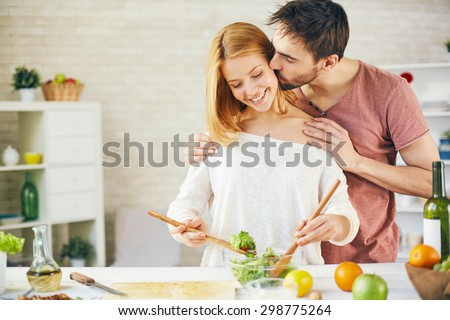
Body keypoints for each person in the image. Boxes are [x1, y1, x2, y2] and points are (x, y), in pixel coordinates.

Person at [188, 0, 440, 264]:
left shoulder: (389, 93)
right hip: (297, 261)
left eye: (288, 58)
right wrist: (201, 147)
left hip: (363, 256)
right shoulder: (274, 89)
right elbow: (233, 135)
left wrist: (356, 162)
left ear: (328, 62)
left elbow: (432, 184)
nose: (273, 63)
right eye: (275, 50)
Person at [167, 22, 359, 267]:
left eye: (257, 74)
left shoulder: (317, 133)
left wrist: (335, 225)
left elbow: (345, 216)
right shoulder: (220, 137)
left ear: (273, 63)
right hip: (228, 277)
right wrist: (184, 225)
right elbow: (183, 205)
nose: (251, 90)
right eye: (236, 84)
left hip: (298, 280)